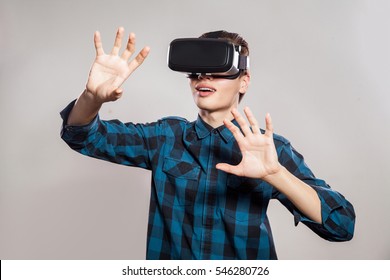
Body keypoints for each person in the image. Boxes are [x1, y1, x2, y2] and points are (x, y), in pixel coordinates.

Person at [60, 27, 355, 259]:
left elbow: (341, 225)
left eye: (217, 69)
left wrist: (276, 174)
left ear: (244, 81)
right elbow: (83, 135)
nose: (203, 77)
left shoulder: (268, 149)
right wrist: (92, 97)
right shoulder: (166, 137)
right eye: (197, 70)